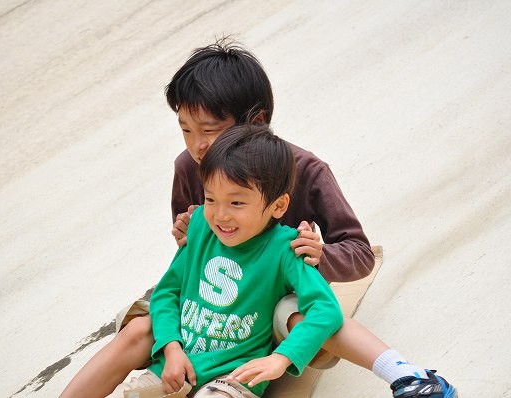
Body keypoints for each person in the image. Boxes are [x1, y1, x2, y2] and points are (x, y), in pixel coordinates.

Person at [60, 39, 457, 398]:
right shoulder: (189, 165)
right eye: (185, 129)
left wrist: (320, 255)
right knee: (140, 326)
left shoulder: (307, 170)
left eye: (210, 130)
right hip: (220, 297)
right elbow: (193, 261)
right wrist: (184, 234)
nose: (197, 145)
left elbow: (360, 253)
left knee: (301, 313)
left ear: (257, 119)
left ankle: (407, 375)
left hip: (277, 293)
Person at [108, 125, 344, 397]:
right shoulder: (200, 226)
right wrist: (171, 349)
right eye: (210, 199)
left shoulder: (286, 247)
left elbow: (326, 309)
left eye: (236, 203)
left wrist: (281, 358)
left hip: (233, 377)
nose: (221, 215)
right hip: (176, 365)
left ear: (278, 206)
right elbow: (167, 292)